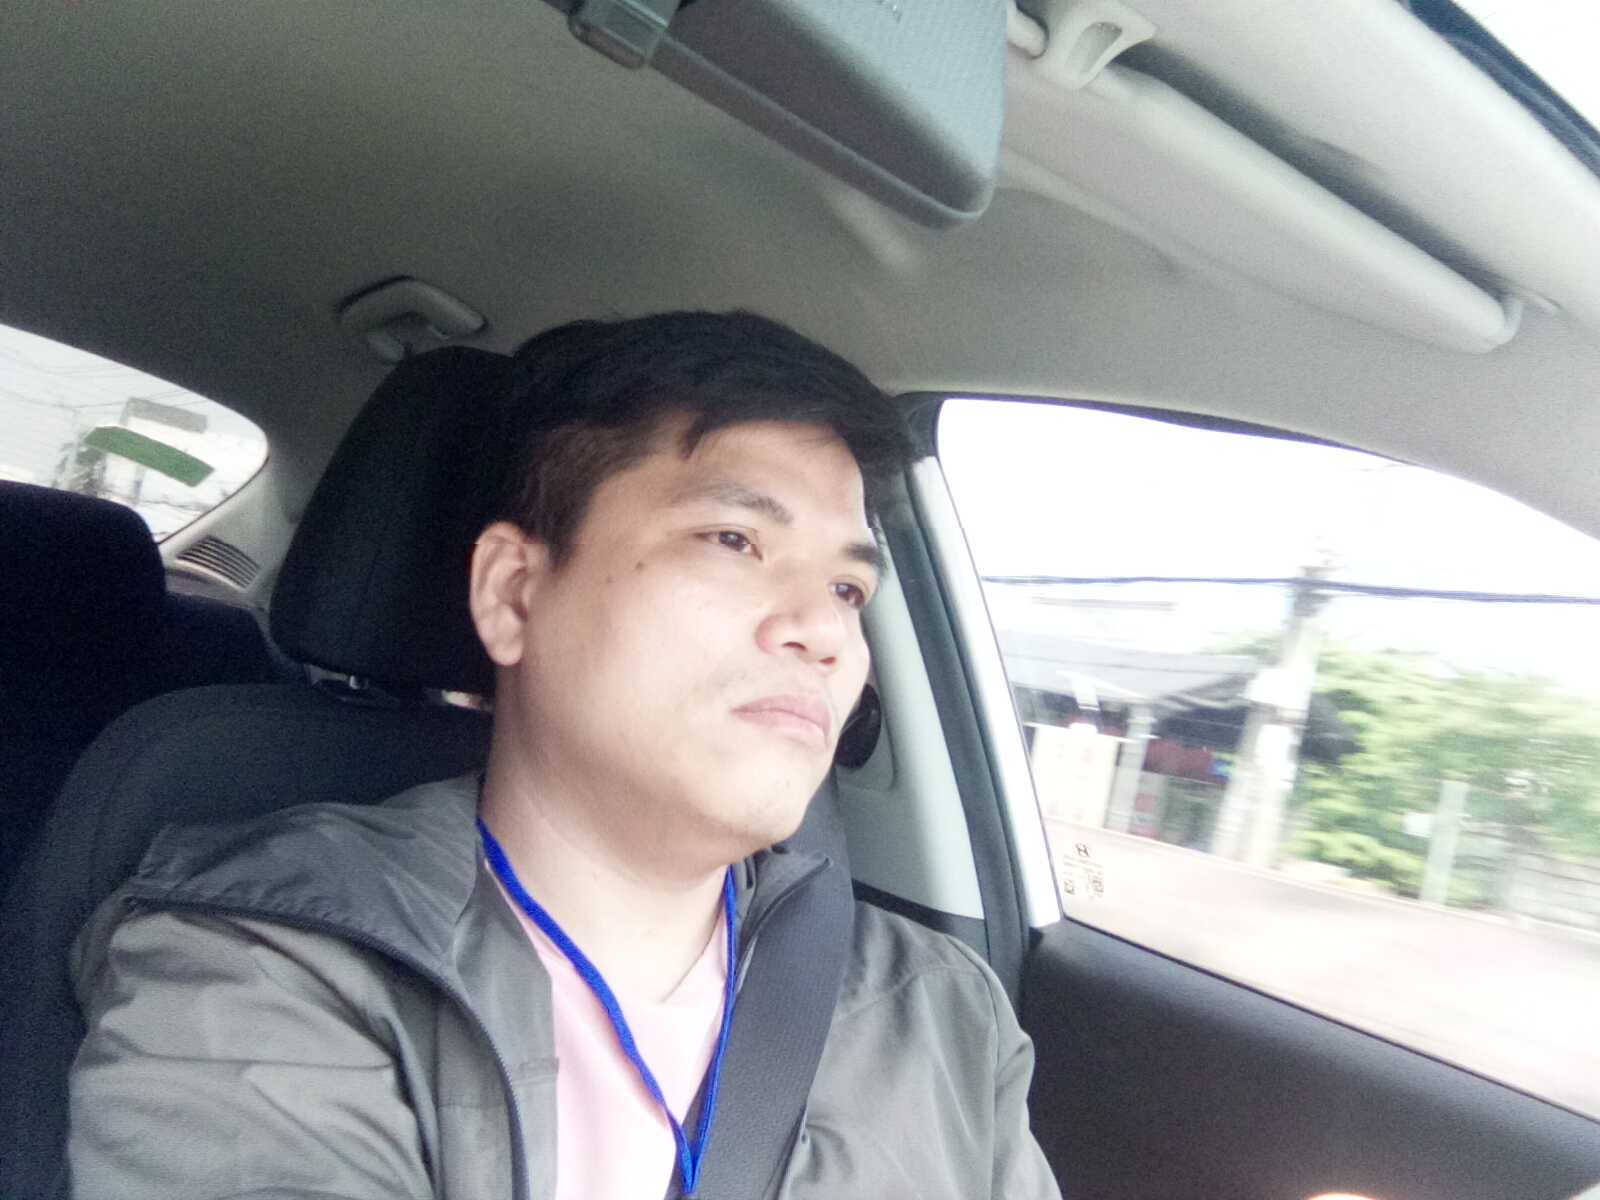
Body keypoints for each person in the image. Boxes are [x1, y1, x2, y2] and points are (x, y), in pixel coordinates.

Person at [67, 312, 1061, 1199]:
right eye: (732, 540)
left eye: (848, 590)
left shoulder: (943, 1014)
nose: (825, 630)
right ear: (513, 592)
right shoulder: (268, 963)